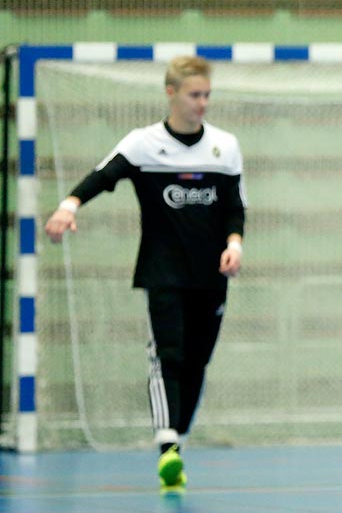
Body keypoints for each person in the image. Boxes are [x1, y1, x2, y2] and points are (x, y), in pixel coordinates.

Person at [43, 55, 246, 490]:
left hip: (211, 275)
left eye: (207, 94)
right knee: (167, 355)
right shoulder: (143, 143)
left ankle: (178, 444)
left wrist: (234, 244)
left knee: (198, 360)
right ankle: (167, 444)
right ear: (171, 93)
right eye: (194, 95)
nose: (202, 103)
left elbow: (235, 206)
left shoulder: (224, 146)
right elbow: (102, 176)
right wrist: (68, 206)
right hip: (162, 271)